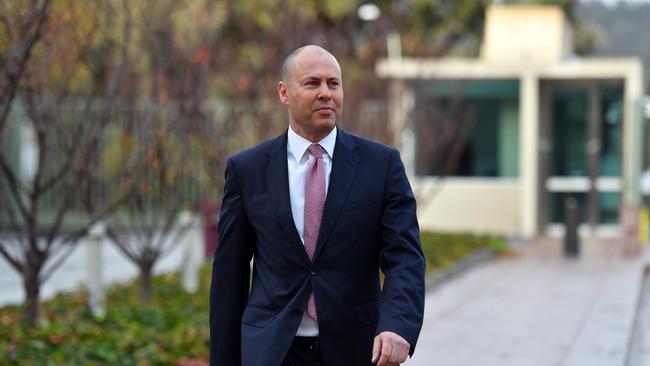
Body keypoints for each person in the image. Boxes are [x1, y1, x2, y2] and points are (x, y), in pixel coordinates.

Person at [210, 45, 425, 366]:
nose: (326, 93)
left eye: (333, 84)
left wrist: (397, 325)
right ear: (284, 93)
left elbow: (405, 257)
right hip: (273, 351)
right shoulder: (247, 170)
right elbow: (230, 275)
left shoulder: (382, 165)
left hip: (357, 348)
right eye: (312, 84)